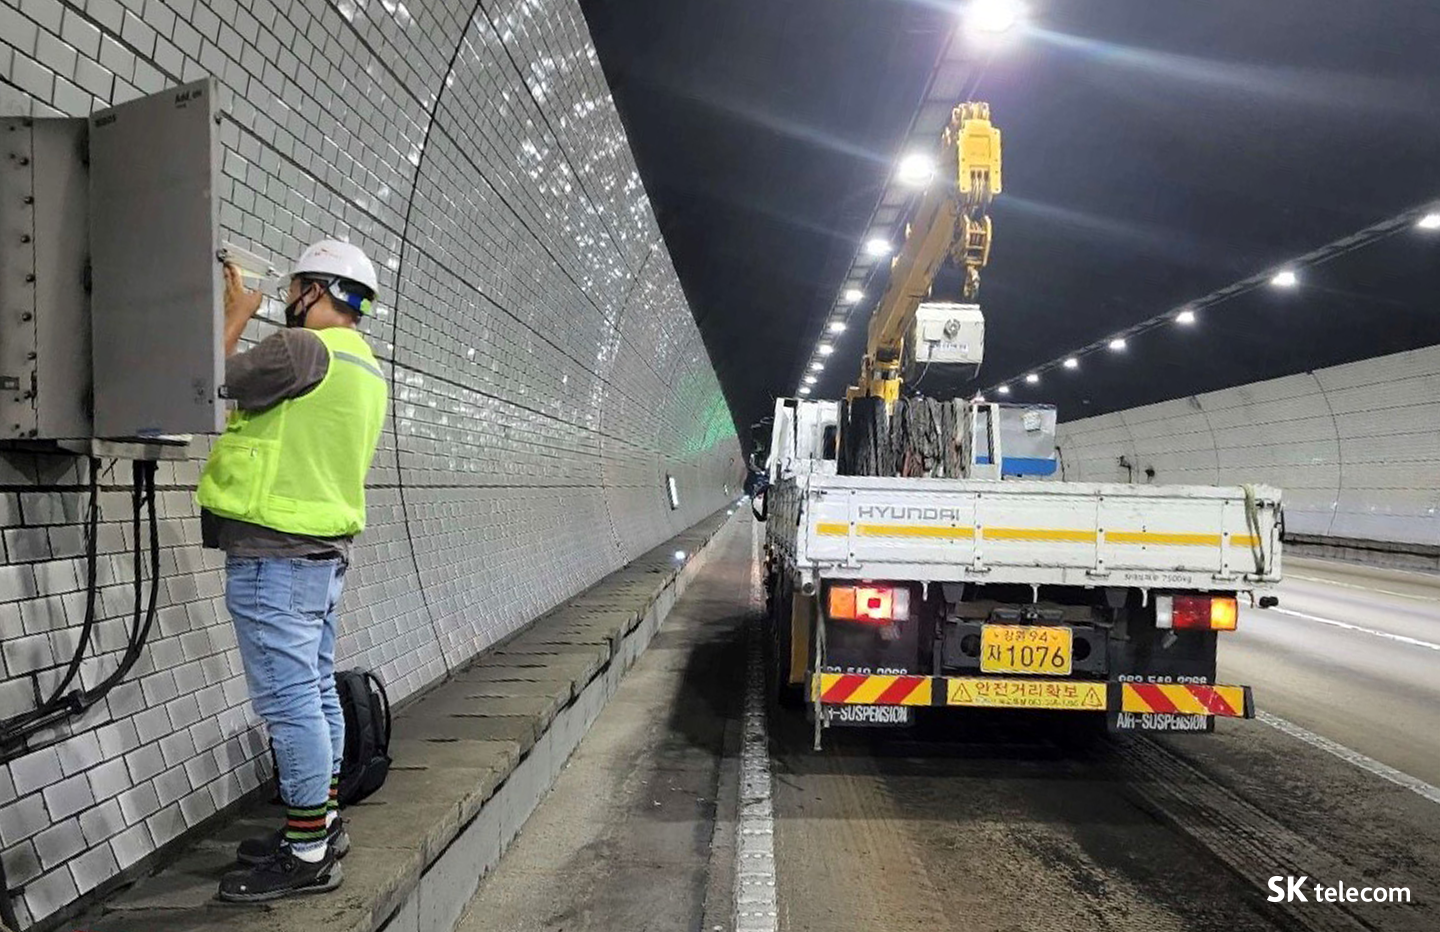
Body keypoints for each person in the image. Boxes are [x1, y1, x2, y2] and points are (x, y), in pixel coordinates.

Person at [196, 240, 388, 902]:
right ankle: (321, 826)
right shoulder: (364, 365)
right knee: (311, 689)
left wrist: (238, 311)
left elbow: (203, 377)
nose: (287, 297)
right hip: (319, 552)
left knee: (289, 700)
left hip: (275, 551)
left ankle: (307, 854)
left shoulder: (303, 348)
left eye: (294, 286)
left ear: (315, 290)